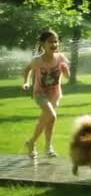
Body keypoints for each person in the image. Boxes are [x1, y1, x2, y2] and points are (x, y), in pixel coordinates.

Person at [22, 29, 70, 158]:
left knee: (48, 120)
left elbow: (67, 76)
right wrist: (26, 83)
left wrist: (65, 70)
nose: (54, 44)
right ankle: (34, 143)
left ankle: (43, 146)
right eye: (50, 42)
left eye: (56, 42)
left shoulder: (61, 57)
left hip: (55, 94)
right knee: (51, 115)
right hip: (40, 93)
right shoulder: (37, 60)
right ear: (43, 44)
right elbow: (27, 70)